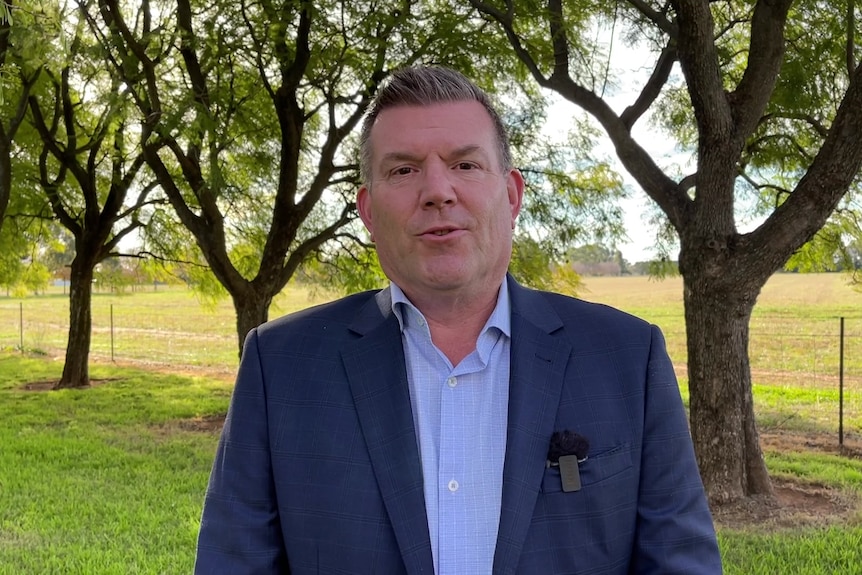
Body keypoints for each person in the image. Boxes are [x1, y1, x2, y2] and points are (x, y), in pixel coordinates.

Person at [194, 66, 722, 574]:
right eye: (403, 170)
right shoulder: (279, 366)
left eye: (465, 165)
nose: (438, 191)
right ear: (369, 211)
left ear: (512, 195)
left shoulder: (629, 359)